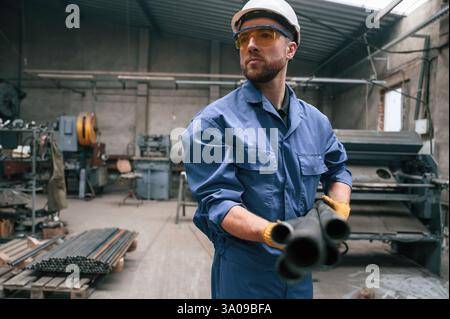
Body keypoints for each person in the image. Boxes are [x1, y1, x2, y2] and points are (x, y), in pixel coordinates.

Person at [182, 0, 352, 299]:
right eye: (242, 38)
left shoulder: (316, 122)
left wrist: (337, 208)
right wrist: (274, 233)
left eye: (264, 35)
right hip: (245, 275)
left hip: (299, 272)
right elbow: (217, 203)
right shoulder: (213, 123)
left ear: (291, 49)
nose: (250, 45)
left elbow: (339, 170)